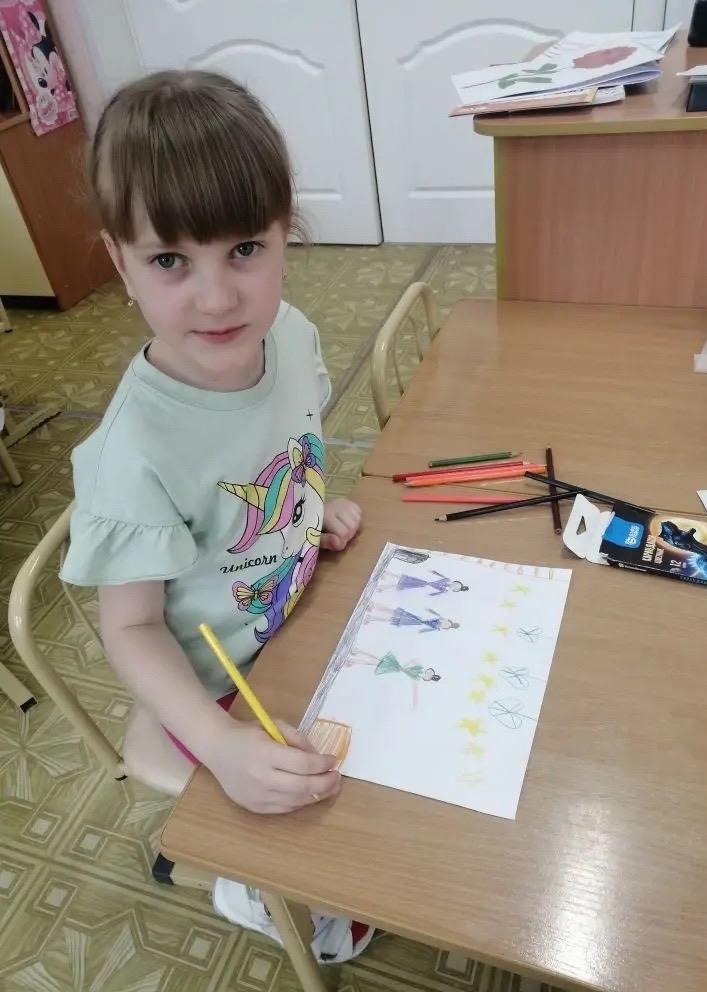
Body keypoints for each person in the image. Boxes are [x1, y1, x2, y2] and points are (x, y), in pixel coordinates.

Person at [60, 68, 372, 961]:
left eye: (244, 249)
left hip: (297, 616)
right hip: (213, 689)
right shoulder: (133, 452)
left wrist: (310, 510)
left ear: (286, 235)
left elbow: (283, 450)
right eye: (170, 261)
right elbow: (130, 630)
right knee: (322, 811)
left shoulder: (293, 335)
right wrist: (220, 744)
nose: (217, 297)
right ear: (120, 263)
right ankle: (247, 885)